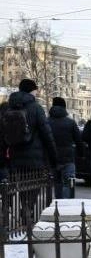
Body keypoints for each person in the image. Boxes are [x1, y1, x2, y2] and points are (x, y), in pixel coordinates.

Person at [0, 79, 57, 223]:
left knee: (14, 186)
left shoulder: (9, 108)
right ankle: (27, 211)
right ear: (32, 90)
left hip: (14, 157)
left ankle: (7, 215)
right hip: (34, 159)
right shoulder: (36, 108)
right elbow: (47, 134)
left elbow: (3, 134)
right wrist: (54, 157)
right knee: (31, 187)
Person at [48, 97, 82, 199]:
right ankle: (67, 206)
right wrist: (81, 154)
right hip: (68, 159)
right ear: (64, 107)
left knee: (57, 183)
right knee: (68, 183)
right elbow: (78, 140)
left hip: (52, 158)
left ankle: (58, 206)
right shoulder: (70, 122)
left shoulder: (46, 122)